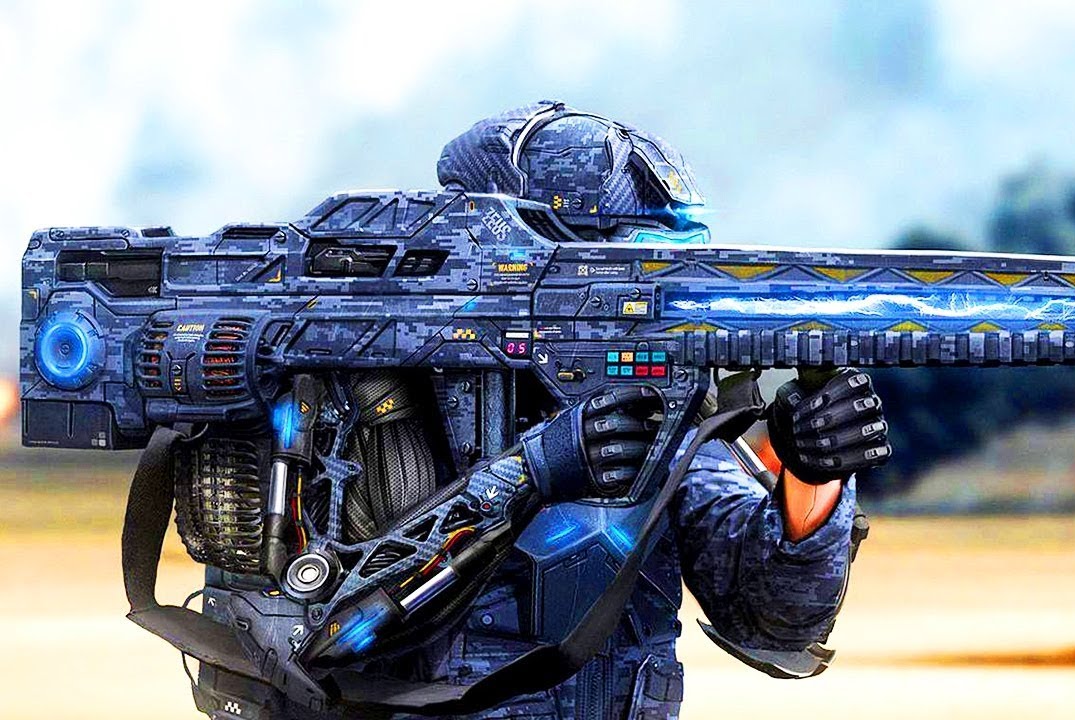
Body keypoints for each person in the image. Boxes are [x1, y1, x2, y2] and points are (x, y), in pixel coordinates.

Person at [200, 102, 892, 719]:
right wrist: (532, 472)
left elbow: (775, 620)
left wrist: (815, 479)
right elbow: (311, 635)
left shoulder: (650, 393)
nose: (652, 295)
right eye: (624, 265)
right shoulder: (354, 379)